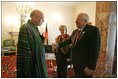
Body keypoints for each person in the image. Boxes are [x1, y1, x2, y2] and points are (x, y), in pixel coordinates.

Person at [52, 13, 101, 78]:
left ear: (85, 21)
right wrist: (58, 44)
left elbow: (95, 50)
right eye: (76, 20)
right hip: (76, 63)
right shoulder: (75, 31)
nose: (75, 21)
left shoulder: (93, 30)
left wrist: (90, 67)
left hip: (85, 65)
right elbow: (68, 41)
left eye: (78, 19)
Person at [17, 10, 48, 78]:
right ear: (34, 17)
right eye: (42, 18)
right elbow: (25, 52)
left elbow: (39, 46)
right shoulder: (25, 28)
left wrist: (50, 47)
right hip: (33, 65)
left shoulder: (34, 28)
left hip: (38, 61)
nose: (43, 20)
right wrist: (26, 70)